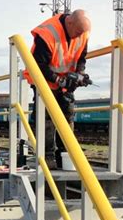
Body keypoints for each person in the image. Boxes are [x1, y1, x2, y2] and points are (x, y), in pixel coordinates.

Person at [24, 9, 92, 169]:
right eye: (76, 32)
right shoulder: (47, 34)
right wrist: (58, 79)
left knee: (67, 116)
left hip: (65, 81)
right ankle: (47, 159)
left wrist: (80, 73)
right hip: (44, 82)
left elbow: (82, 56)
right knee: (46, 119)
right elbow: (38, 66)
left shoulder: (82, 32)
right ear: (69, 22)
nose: (78, 36)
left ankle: (65, 156)